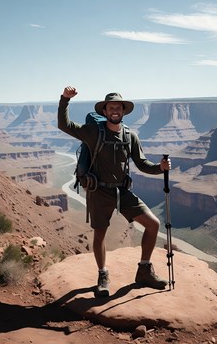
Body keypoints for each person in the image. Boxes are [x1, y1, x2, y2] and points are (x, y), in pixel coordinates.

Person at [58, 86, 172, 297]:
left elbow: (142, 164)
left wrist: (160, 168)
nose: (115, 111)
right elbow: (64, 125)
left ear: (123, 111)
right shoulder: (93, 133)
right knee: (100, 233)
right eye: (111, 107)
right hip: (99, 192)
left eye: (118, 107)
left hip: (122, 192)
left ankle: (144, 271)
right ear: (105, 111)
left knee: (153, 224)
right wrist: (65, 99)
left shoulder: (130, 136)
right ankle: (102, 275)